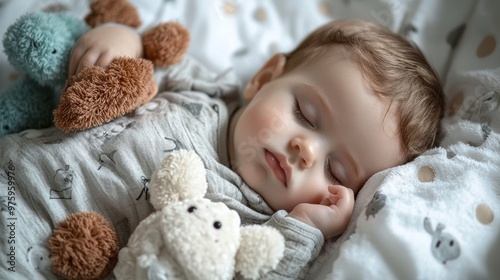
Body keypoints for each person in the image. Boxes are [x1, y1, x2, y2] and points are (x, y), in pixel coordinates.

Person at [0, 19, 444, 279]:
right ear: (265, 78)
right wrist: (120, 39)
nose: (305, 150)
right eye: (306, 114)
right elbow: (142, 66)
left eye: (337, 171)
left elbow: (262, 270)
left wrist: (308, 228)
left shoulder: (253, 224)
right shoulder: (205, 90)